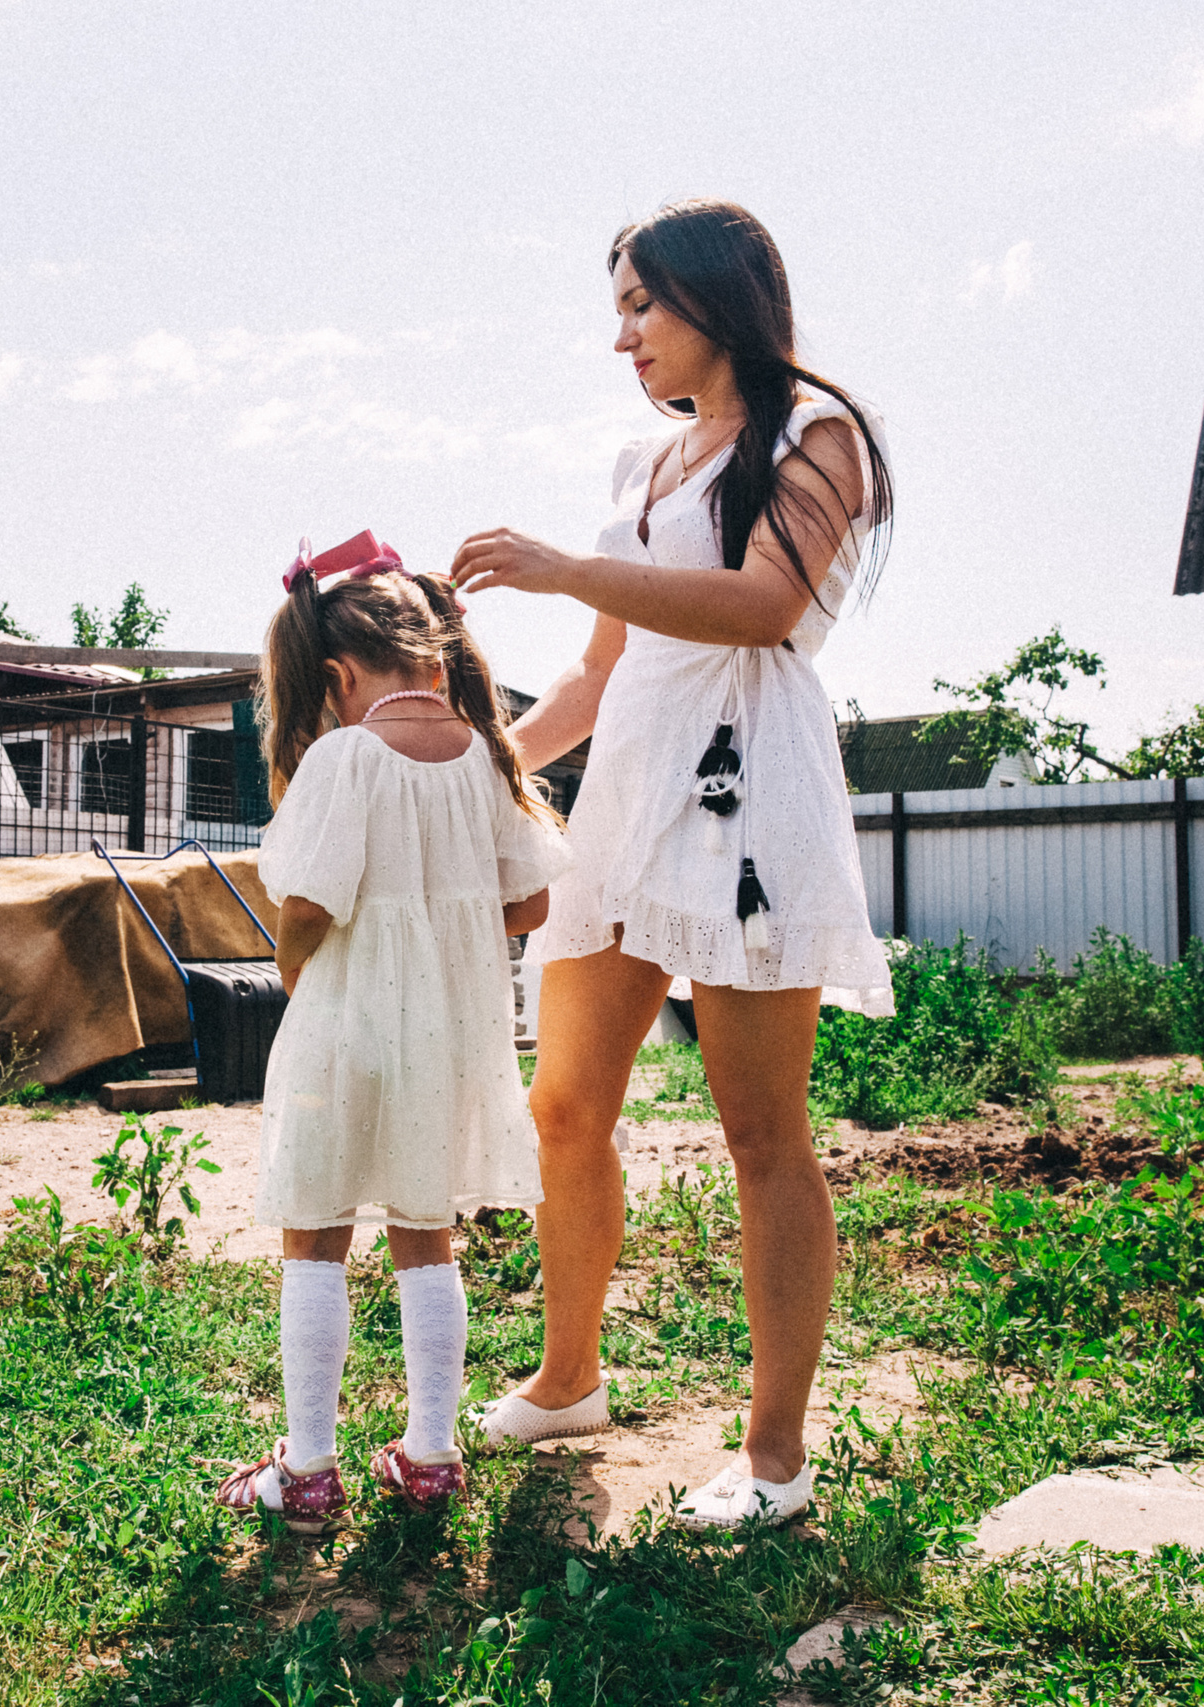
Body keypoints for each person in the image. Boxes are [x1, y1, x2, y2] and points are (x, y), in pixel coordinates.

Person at [449, 199, 895, 1530]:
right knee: (563, 1106)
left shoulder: (818, 435)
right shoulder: (638, 467)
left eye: (642, 304)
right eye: (620, 309)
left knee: (761, 1130)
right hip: (629, 796)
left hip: (747, 792)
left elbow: (764, 605)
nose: (624, 336)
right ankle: (568, 1380)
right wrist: (478, 771)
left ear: (718, 296)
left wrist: (560, 569)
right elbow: (598, 676)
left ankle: (775, 1457)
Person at [214, 536, 568, 1533]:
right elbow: (531, 902)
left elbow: (308, 904)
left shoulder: (343, 759)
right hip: (446, 1037)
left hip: (345, 1025)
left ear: (335, 676)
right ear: (435, 651)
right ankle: (429, 1456)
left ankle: (308, 1468)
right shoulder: (484, 759)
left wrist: (294, 968)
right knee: (426, 1233)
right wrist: (446, 908)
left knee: (315, 1232)